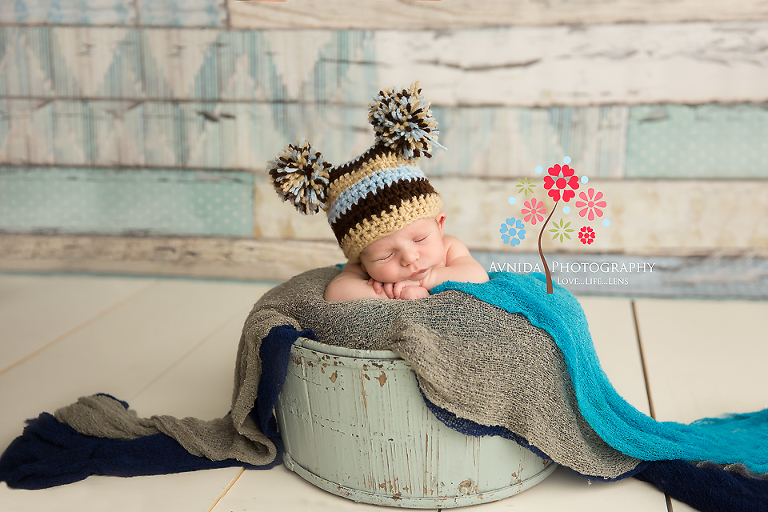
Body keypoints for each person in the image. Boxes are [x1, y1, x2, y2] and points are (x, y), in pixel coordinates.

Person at [266, 82, 488, 301]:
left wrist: (425, 280)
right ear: (361, 260)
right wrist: (393, 293)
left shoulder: (449, 247)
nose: (409, 258)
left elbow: (478, 276)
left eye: (419, 239)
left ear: (439, 225)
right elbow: (337, 293)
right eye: (386, 255)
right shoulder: (361, 268)